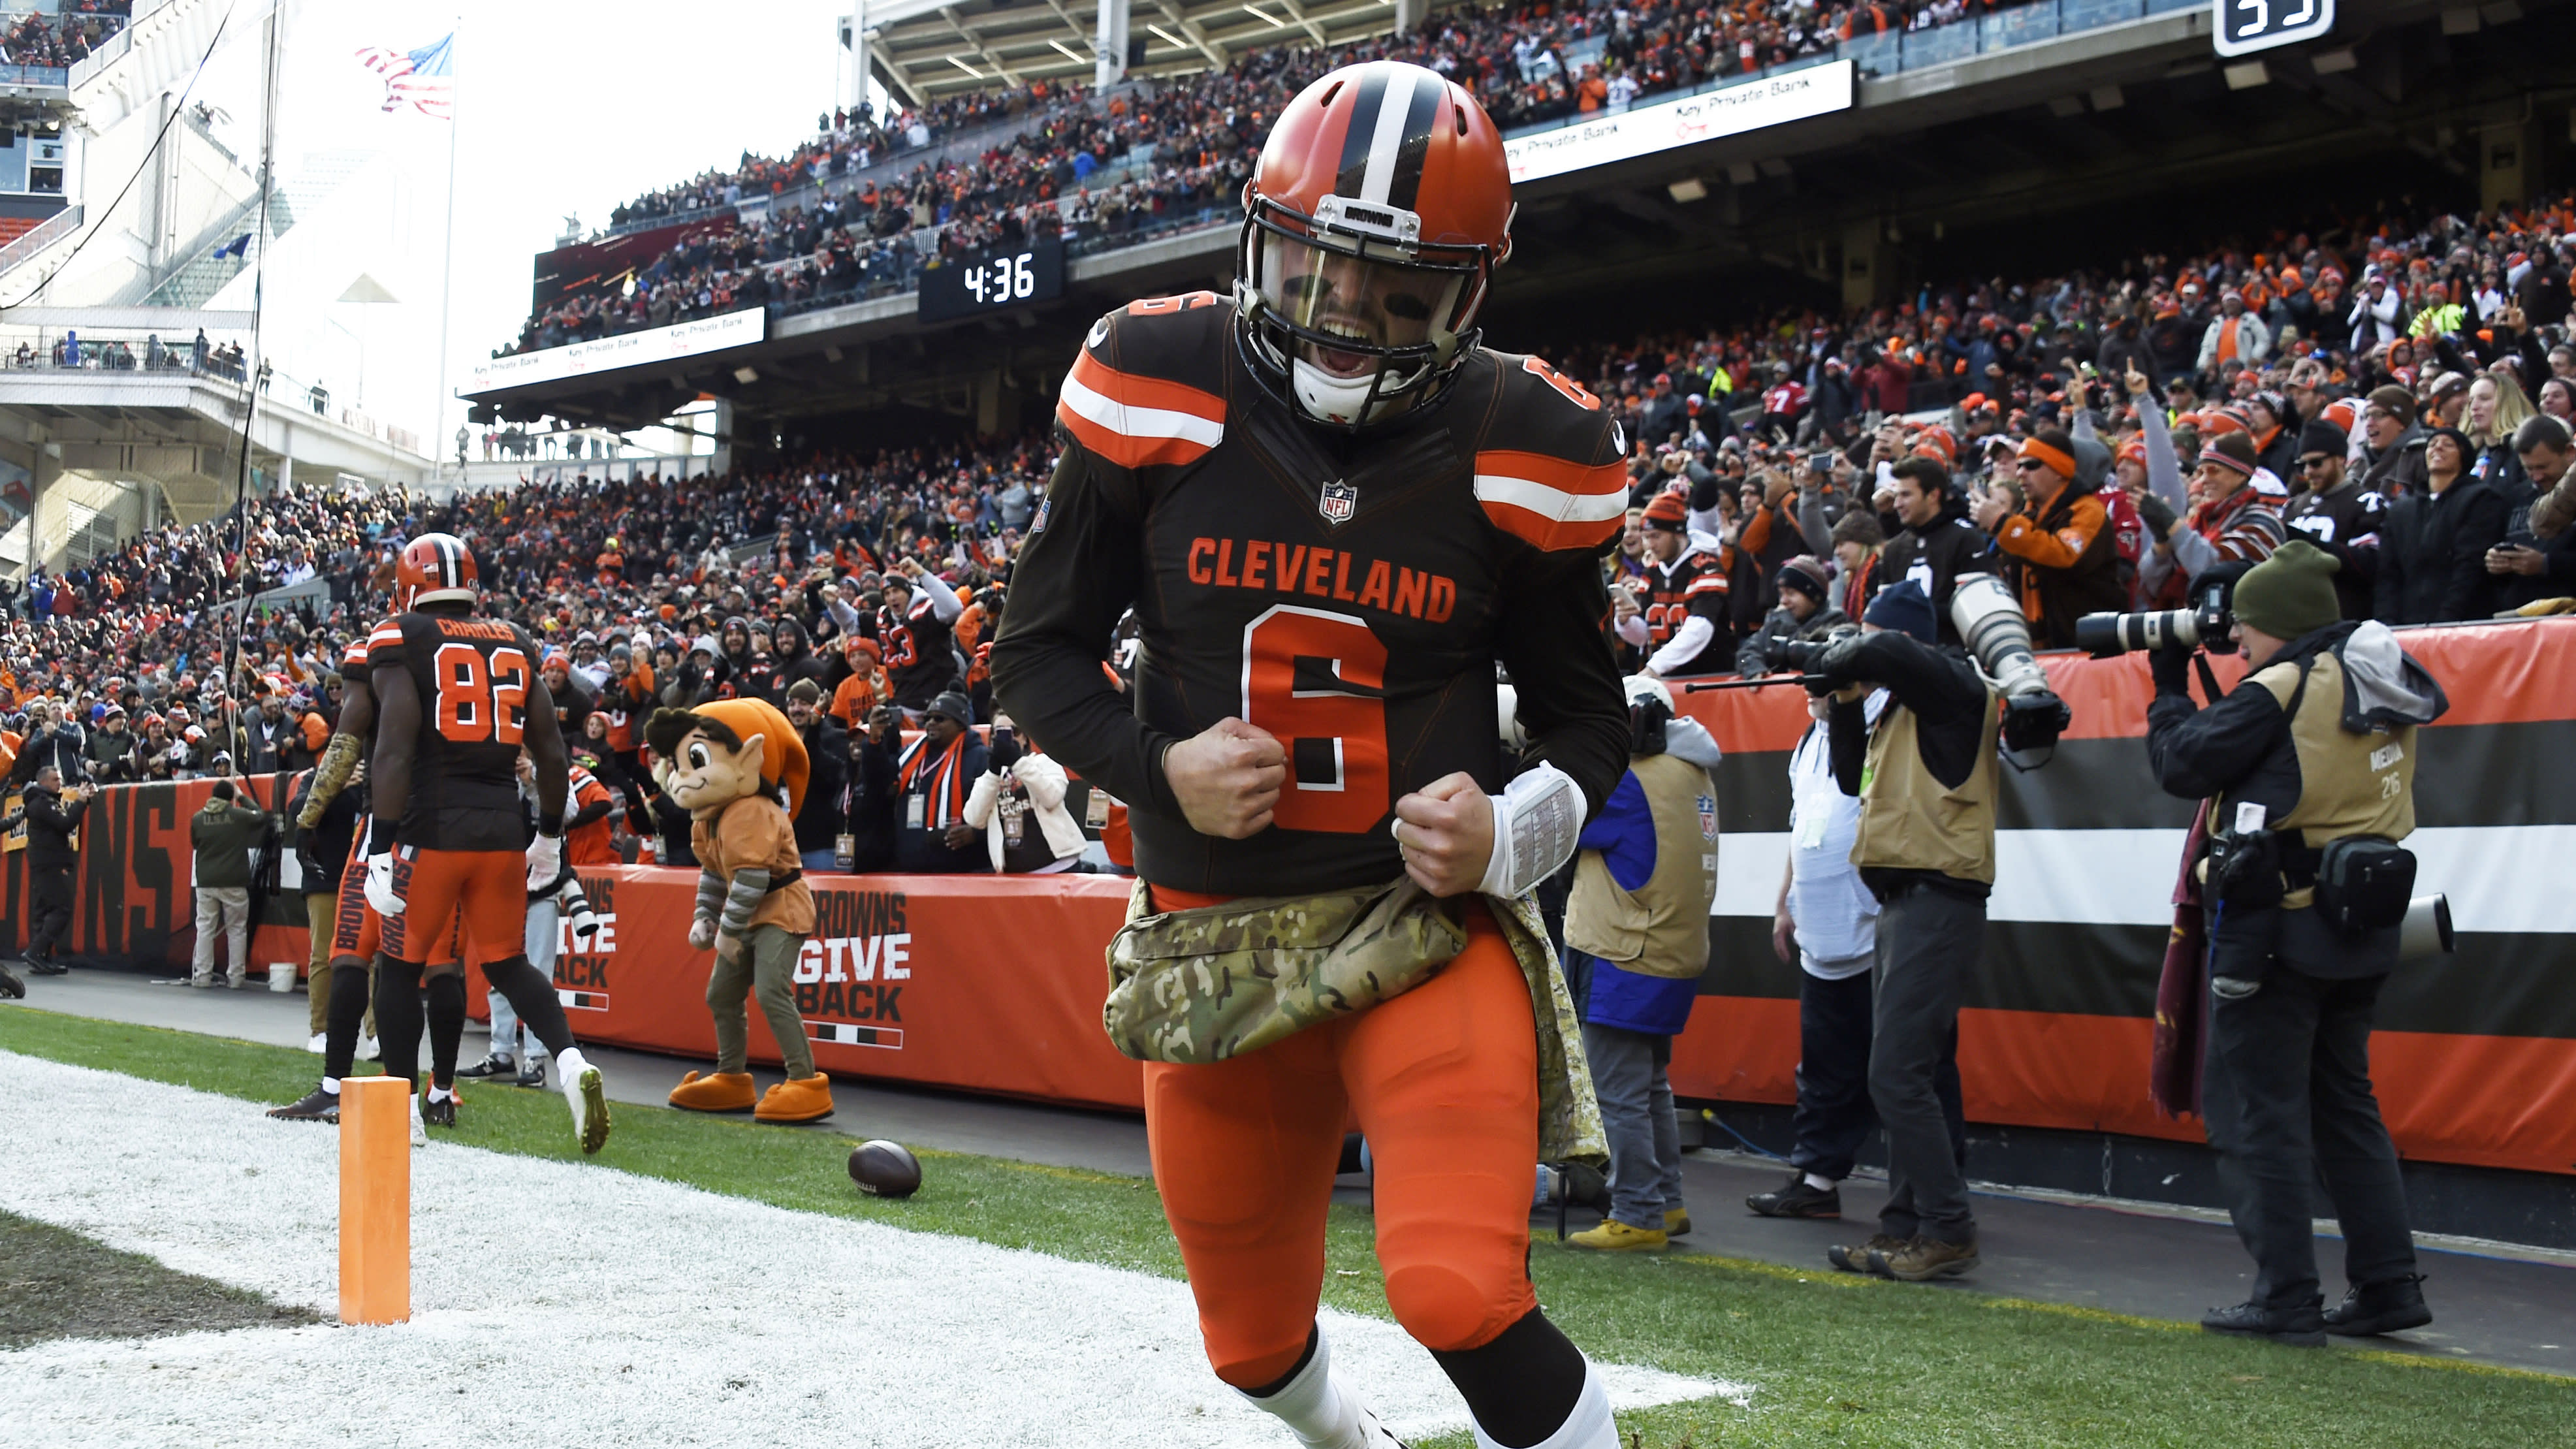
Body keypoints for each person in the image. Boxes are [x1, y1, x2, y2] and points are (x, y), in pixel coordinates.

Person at [993, 59, 1634, 1449]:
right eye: (1318, 271)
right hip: (1211, 939)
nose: (1347, 317)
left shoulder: (1529, 435)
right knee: (1251, 1343)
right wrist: (1158, 764)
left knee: (1458, 1285)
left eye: (1398, 293)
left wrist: (1510, 828)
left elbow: (1593, 718)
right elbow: (1030, 655)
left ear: (1467, 296)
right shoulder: (1153, 376)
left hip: (1417, 927)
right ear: (1259, 242)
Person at [2144, 541, 2447, 1346]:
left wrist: (2167, 687)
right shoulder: (2382, 670)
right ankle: (2388, 1286)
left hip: (2275, 930)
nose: (2237, 639)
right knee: (2345, 1106)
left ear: (2281, 624)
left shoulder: (2281, 686)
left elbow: (2180, 763)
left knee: (2255, 1115)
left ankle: (2285, 1294)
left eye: (2247, 624)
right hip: (2360, 924)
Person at [361, 532, 611, 1153]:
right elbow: (553, 753)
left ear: (409, 585)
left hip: (430, 830)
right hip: (502, 829)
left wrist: (378, 844)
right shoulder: (516, 641)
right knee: (507, 962)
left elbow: (393, 745)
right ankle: (572, 1061)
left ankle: (403, 1106)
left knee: (401, 969)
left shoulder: (399, 635)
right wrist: (549, 835)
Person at [1807, 580, 1997, 1282]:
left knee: (1895, 1072)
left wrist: (1848, 650)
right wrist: (1846, 695)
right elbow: (1850, 780)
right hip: (1904, 897)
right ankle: (1906, 1224)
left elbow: (1888, 645)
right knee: (1916, 1071)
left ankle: (1948, 1227)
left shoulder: (1955, 687)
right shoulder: (1905, 709)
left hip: (1937, 894)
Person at [1747, 687, 1966, 1220]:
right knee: (1824, 1070)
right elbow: (1802, 825)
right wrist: (1785, 901)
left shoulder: (1892, 726)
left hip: (1881, 933)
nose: (1810, 689)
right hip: (1822, 934)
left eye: (1825, 679)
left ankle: (1933, 1196)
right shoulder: (1807, 741)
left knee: (1912, 1072)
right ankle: (1817, 1180)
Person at [1560, 677, 1722, 1252]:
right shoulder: (1691, 771)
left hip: (1626, 951)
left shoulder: (1630, 781)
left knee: (1619, 1091)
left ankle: (1637, 1211)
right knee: (1651, 1084)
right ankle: (1666, 1200)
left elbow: (1566, 825)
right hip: (1671, 951)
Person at [1971, 430, 2125, 648]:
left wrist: (2002, 525)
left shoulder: (2088, 511)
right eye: (2020, 465)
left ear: (2058, 470)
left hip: (2093, 644)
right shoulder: (2028, 518)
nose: (2020, 473)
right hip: (2046, 646)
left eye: (2031, 465)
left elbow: (2063, 555)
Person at [2376, 426, 2509, 624]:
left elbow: (2470, 568)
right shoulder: (2401, 509)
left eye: (2448, 445)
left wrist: (2447, 620)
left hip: (2460, 626)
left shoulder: (2481, 499)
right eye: (2432, 444)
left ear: (2464, 456)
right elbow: (2387, 573)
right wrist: (2386, 623)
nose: (2438, 448)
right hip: (2405, 628)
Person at [2280, 420, 2385, 622]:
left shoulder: (2365, 503)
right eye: (2302, 465)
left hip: (2343, 619)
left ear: (2340, 460)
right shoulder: (2292, 508)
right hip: (2294, 620)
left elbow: (2370, 564)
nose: (2308, 471)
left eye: (2316, 463)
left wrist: (2310, 546)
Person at [1875, 457, 1989, 642]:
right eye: (1896, 496)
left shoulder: (1966, 540)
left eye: (1906, 495)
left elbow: (1977, 612)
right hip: (1903, 658)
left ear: (1933, 496)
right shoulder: (1894, 549)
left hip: (1952, 656)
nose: (1897, 504)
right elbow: (1883, 615)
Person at [876, 690, 989, 873]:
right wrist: (874, 742)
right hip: (912, 867)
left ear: (960, 725)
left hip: (964, 871)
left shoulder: (980, 757)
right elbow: (880, 781)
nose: (931, 723)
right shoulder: (910, 755)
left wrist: (977, 834)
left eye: (940, 719)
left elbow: (999, 811)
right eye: (928, 718)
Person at [1621, 491, 1730, 678]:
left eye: (1656, 536)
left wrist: (1655, 666)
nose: (1650, 545)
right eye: (1646, 537)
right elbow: (1645, 637)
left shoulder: (1707, 568)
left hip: (1706, 679)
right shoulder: (1652, 571)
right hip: (1664, 678)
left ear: (1678, 533)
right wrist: (1626, 621)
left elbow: (1700, 628)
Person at [961, 714, 1087, 874]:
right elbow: (974, 819)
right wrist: (993, 772)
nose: (1009, 736)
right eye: (999, 731)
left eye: (1015, 731)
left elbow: (1052, 798)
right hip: (1016, 876)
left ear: (1025, 737)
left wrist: (1017, 762)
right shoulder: (989, 778)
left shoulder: (1045, 763)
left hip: (1060, 867)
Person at [1, 763, 89, 974]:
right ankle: (35, 952)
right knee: (61, 909)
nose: (60, 783)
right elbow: (66, 823)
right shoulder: (42, 803)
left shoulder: (39, 802)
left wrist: (18, 817)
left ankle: (42, 958)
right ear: (44, 782)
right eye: (56, 780)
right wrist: (81, 801)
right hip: (50, 863)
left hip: (43, 861)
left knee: (45, 910)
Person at [188, 778, 274, 989]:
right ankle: (236, 978)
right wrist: (242, 797)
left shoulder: (198, 818)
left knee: (205, 929)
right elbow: (262, 817)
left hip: (206, 882)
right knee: (236, 930)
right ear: (230, 797)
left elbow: (195, 843)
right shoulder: (238, 816)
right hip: (234, 882)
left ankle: (203, 976)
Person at [1732, 556, 1847, 676]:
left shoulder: (1836, 621)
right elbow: (1747, 651)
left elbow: (1803, 654)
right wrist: (1755, 670)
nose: (1784, 601)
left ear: (1814, 597)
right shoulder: (1778, 621)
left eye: (1791, 594)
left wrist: (1787, 625)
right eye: (1781, 594)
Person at [783, 678, 850, 872]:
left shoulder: (837, 739)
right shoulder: (782, 742)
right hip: (787, 848)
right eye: (792, 703)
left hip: (823, 846)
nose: (797, 709)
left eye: (804, 703)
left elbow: (836, 779)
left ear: (819, 707)